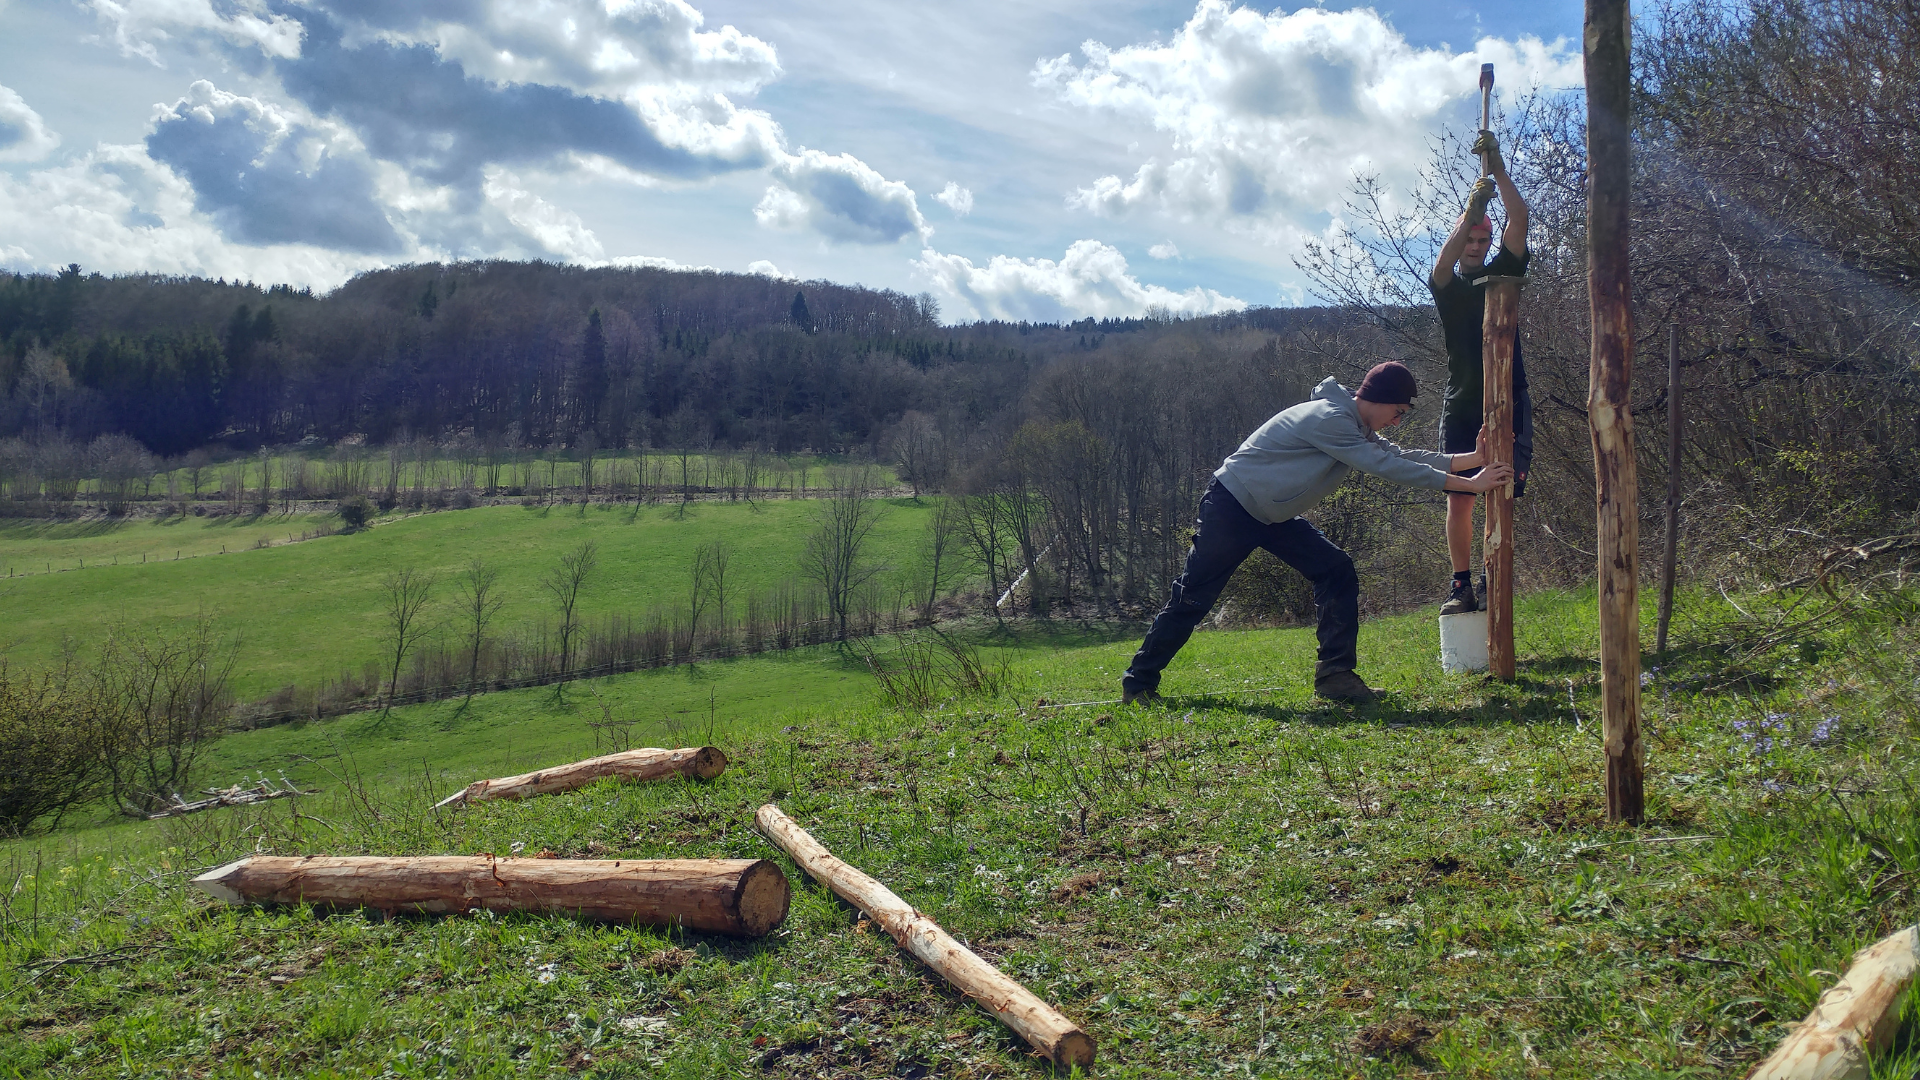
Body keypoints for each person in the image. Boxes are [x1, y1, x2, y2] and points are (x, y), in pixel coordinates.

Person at [1120, 362, 1514, 706]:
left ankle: (1335, 678)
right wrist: (1470, 485)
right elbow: (1386, 467)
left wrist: (1472, 460)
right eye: (1398, 412)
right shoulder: (1330, 419)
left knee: (1335, 569)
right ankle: (1139, 684)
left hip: (1273, 515)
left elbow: (1397, 455)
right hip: (1232, 507)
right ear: (1377, 399)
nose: (1397, 421)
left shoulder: (1355, 424)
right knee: (1193, 597)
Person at [1431, 129, 1534, 616]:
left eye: (1481, 239)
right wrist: (1472, 208)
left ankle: (1496, 576)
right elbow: (1443, 261)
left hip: (1509, 395)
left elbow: (1520, 218)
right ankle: (1461, 585)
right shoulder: (1448, 287)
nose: (1474, 246)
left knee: (1503, 488)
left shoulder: (1504, 273)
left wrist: (1499, 171)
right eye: (1469, 238)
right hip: (1462, 403)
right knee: (1460, 496)